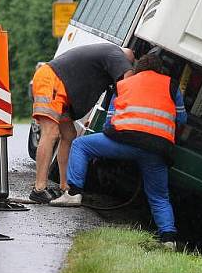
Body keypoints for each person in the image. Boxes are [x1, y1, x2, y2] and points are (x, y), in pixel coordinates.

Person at [50, 53, 186, 249]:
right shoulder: (172, 86)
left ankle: (73, 194)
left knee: (81, 145)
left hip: (122, 140)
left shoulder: (123, 84)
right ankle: (168, 239)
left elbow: (110, 120)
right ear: (160, 70)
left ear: (138, 68)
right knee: (159, 196)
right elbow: (181, 120)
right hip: (156, 149)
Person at [29, 43, 134, 204]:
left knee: (69, 135)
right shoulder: (117, 54)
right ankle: (39, 189)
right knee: (50, 132)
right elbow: (129, 83)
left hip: (62, 90)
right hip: (51, 82)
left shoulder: (107, 61)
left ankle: (65, 187)